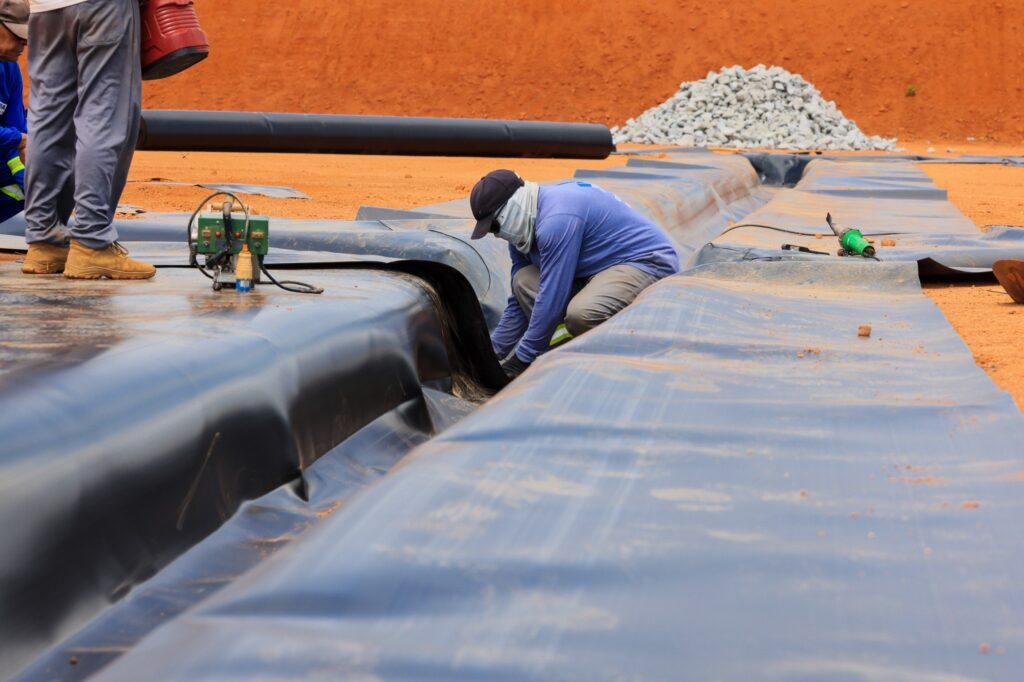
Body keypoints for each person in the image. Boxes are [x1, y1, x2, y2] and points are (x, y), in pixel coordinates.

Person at [470, 170, 680, 380]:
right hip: (596, 270)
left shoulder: (557, 219)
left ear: (511, 209)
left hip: (643, 262)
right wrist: (491, 355)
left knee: (582, 314)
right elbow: (518, 302)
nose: (496, 234)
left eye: (494, 226)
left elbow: (552, 294)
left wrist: (522, 359)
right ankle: (564, 346)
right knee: (523, 281)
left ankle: (620, 365)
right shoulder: (524, 229)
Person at [21, 0, 154, 279]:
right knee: (104, 113)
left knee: (47, 116)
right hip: (101, 6)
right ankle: (92, 242)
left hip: (45, 7)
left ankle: (44, 241)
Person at [0, 1, 27, 226]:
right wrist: (18, 139)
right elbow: (17, 137)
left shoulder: (10, 67)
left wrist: (27, 177)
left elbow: (18, 130)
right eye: (18, 35)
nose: (24, 43)